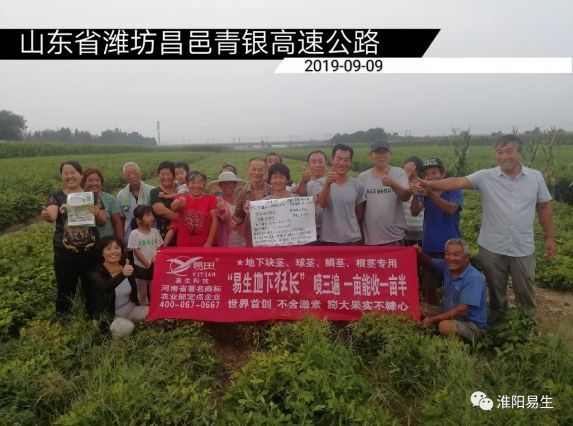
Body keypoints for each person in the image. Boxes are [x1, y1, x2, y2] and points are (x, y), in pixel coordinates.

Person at [415, 135, 556, 322]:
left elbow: (544, 207)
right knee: (496, 289)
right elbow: (456, 182)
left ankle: (527, 324)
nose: (504, 157)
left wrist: (550, 237)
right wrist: (428, 184)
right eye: (499, 152)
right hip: (492, 245)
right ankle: (498, 321)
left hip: (523, 246)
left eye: (509, 152)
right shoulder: (485, 176)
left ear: (520, 152)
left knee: (524, 288)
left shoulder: (535, 177)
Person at [41, 161, 106, 315]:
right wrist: (47, 215)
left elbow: (102, 221)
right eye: (66, 173)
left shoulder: (91, 196)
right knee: (65, 288)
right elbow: (52, 215)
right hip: (65, 254)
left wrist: (97, 214)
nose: (69, 176)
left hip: (90, 252)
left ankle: (94, 317)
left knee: (92, 287)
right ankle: (64, 319)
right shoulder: (57, 197)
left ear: (81, 175)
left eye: (73, 172)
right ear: (61, 176)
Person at [411, 157, 463, 305]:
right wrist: (415, 195)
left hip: (451, 248)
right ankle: (433, 315)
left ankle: (452, 314)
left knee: (455, 288)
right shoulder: (425, 192)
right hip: (430, 247)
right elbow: (415, 211)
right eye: (427, 174)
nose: (430, 177)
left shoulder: (453, 189)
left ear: (443, 173)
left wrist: (430, 194)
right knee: (429, 288)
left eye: (434, 172)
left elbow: (450, 209)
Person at [418, 239, 487, 344]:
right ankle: (436, 330)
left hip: (471, 326)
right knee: (418, 308)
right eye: (448, 254)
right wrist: (417, 251)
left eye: (456, 254)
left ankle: (454, 345)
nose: (451, 258)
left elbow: (462, 310)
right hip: (450, 315)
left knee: (444, 326)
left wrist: (433, 319)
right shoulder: (447, 267)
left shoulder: (473, 277)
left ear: (467, 257)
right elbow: (429, 261)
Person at [86, 236, 148, 338]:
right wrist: (123, 274)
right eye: (108, 249)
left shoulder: (126, 266)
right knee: (126, 328)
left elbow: (146, 273)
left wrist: (157, 261)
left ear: (122, 250)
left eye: (117, 248)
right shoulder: (96, 272)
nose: (113, 252)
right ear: (102, 253)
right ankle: (106, 328)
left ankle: (133, 322)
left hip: (131, 309)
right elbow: (105, 287)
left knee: (152, 313)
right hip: (111, 315)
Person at [358, 141, 410, 246]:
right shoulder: (363, 177)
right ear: (371, 155)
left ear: (390, 154)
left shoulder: (399, 173)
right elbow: (360, 208)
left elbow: (406, 197)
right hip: (371, 238)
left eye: (384, 152)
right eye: (377, 152)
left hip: (395, 237)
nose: (381, 156)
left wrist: (393, 184)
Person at [317, 144, 366, 245]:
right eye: (338, 159)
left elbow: (360, 214)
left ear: (350, 162)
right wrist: (328, 184)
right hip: (328, 240)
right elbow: (323, 204)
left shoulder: (358, 184)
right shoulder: (320, 183)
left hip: (352, 240)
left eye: (346, 160)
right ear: (332, 160)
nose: (342, 163)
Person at [171, 171, 218, 247]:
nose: (196, 186)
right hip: (183, 244)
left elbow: (215, 220)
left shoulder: (211, 199)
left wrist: (209, 241)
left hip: (204, 245)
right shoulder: (181, 197)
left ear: (204, 184)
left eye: (199, 183)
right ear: (187, 184)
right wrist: (176, 204)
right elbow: (174, 208)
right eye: (193, 183)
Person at [127, 205, 163, 305]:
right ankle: (144, 308)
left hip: (154, 265)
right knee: (142, 291)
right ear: (139, 220)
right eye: (148, 215)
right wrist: (146, 263)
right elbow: (136, 251)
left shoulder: (155, 232)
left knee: (153, 289)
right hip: (141, 267)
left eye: (152, 215)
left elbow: (159, 248)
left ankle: (154, 307)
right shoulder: (134, 234)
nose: (151, 218)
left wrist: (156, 259)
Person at [234, 157, 273, 246]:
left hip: (272, 238)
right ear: (248, 170)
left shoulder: (273, 190)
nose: (257, 173)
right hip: (251, 239)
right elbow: (239, 216)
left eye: (260, 170)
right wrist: (234, 221)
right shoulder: (242, 193)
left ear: (265, 171)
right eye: (253, 169)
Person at [293, 150, 328, 240]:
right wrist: (303, 182)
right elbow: (297, 201)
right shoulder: (303, 183)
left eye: (320, 161)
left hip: (329, 231)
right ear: (309, 165)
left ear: (326, 164)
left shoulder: (332, 182)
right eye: (313, 162)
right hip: (309, 232)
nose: (317, 165)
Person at [116, 162, 154, 242]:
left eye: (135, 173)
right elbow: (121, 219)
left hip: (150, 236)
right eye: (128, 174)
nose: (132, 176)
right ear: (124, 177)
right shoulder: (121, 195)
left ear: (140, 173)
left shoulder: (151, 191)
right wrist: (120, 240)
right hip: (129, 236)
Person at [208, 171, 247, 247]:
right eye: (224, 183)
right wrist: (221, 212)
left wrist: (241, 220)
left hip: (244, 242)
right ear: (220, 186)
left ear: (235, 184)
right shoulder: (217, 201)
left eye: (230, 183)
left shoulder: (243, 200)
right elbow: (219, 220)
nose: (227, 186)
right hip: (225, 243)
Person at [82, 168, 123, 239]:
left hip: (108, 241)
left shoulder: (110, 199)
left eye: (97, 180)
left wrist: (120, 241)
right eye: (90, 180)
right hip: (86, 241)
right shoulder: (78, 198)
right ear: (84, 182)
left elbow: (117, 222)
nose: (94, 183)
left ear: (101, 183)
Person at [150, 161, 179, 242]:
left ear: (174, 175)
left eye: (169, 174)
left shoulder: (181, 188)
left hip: (184, 234)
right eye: (162, 175)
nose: (165, 177)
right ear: (158, 175)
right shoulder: (155, 192)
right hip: (163, 235)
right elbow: (161, 211)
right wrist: (184, 220)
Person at [401, 156, 424, 246]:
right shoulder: (399, 185)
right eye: (405, 170)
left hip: (420, 230)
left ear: (417, 171)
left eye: (410, 170)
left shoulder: (423, 185)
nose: (407, 172)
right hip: (403, 231)